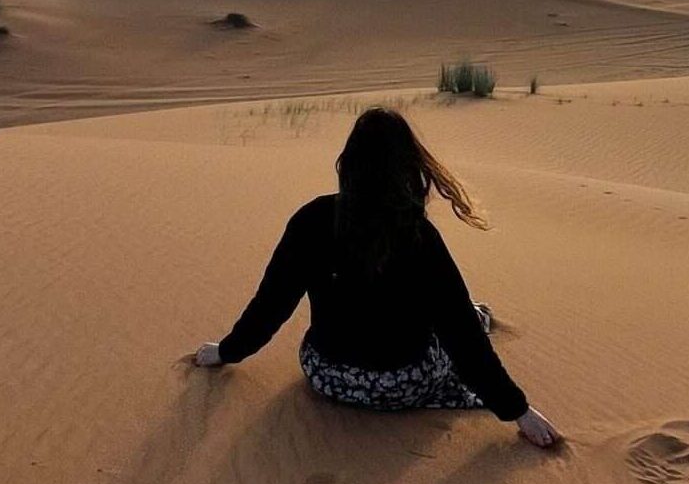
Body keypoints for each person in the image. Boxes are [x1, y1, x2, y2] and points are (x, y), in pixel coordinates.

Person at [191, 107, 560, 449]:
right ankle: (482, 314)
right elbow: (461, 335)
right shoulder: (418, 236)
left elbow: (272, 305)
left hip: (327, 377)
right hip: (402, 385)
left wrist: (225, 352)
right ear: (408, 168)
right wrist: (518, 411)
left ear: (347, 163)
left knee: (451, 317)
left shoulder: (312, 219)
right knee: (466, 318)